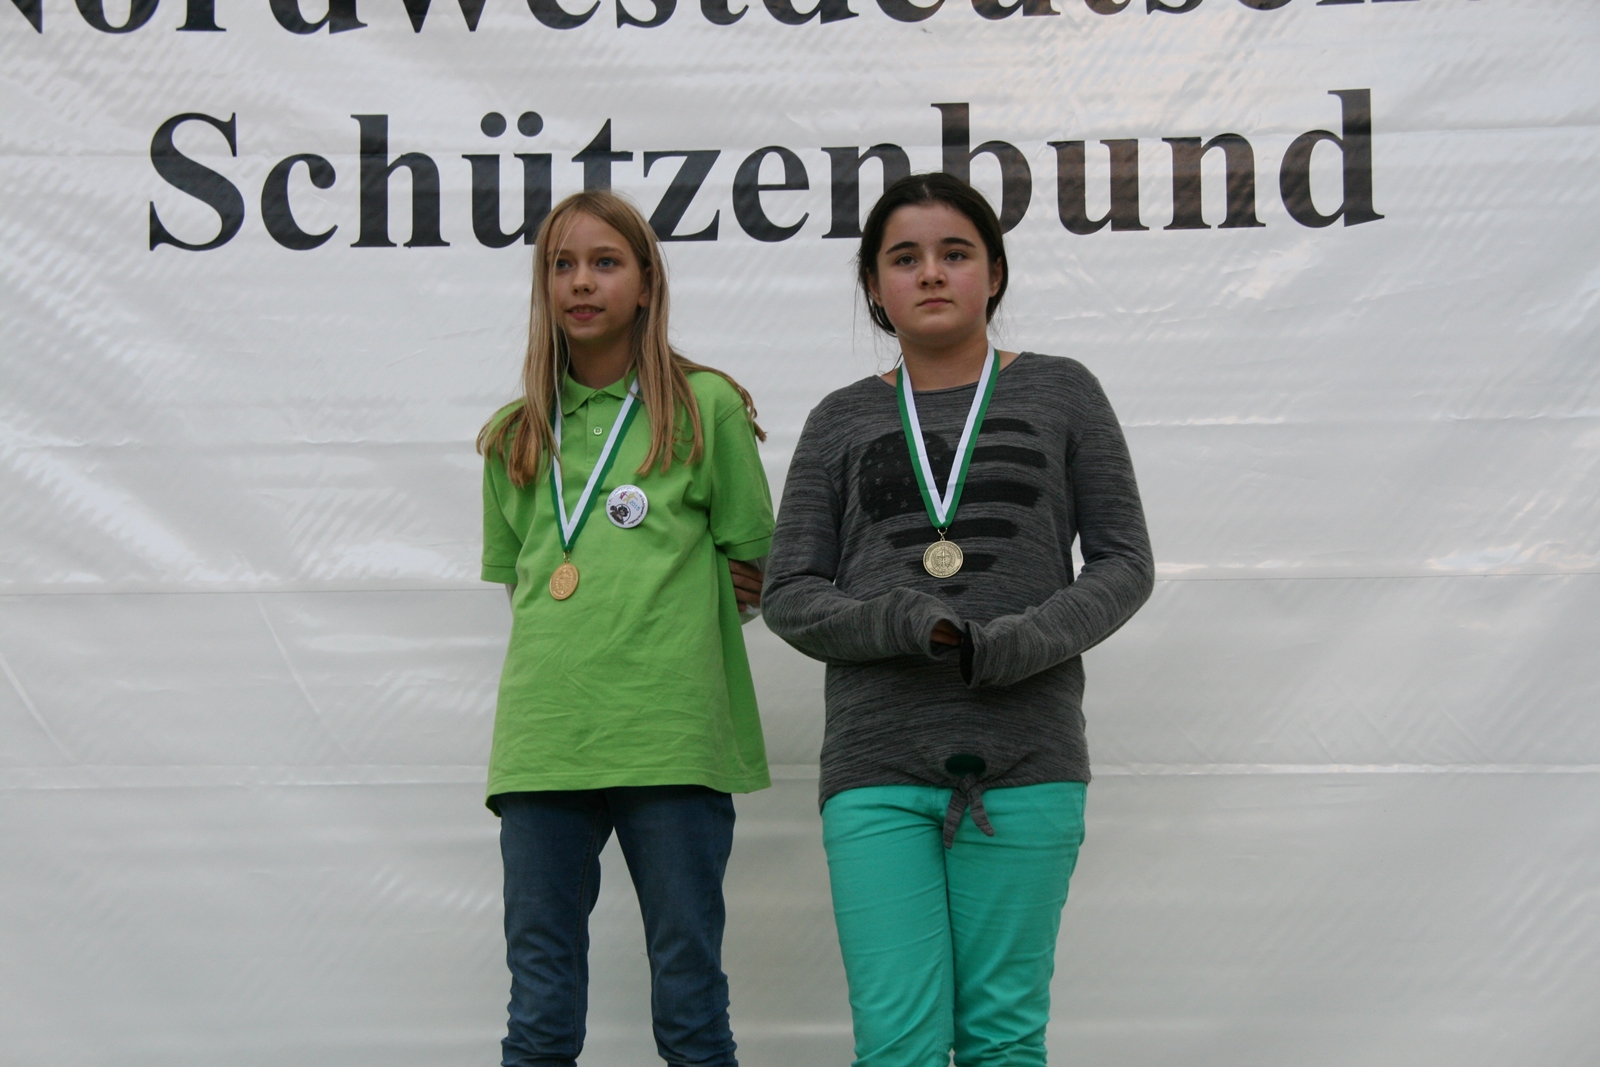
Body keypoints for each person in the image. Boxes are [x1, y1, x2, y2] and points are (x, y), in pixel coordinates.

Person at [762, 173, 1154, 1067]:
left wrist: (1018, 642)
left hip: (1026, 759)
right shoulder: (839, 418)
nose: (931, 273)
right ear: (874, 285)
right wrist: (899, 622)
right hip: (874, 767)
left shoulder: (1063, 392)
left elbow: (1125, 561)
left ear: (995, 273)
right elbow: (790, 590)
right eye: (904, 258)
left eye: (955, 253)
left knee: (1003, 1041)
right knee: (895, 1046)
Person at [476, 190, 774, 1067]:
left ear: (646, 282)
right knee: (539, 1014)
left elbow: (756, 567)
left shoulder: (706, 407)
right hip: (544, 743)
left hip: (671, 736)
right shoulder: (514, 435)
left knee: (690, 1005)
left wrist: (685, 606)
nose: (582, 281)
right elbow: (529, 588)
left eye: (605, 262)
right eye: (561, 265)